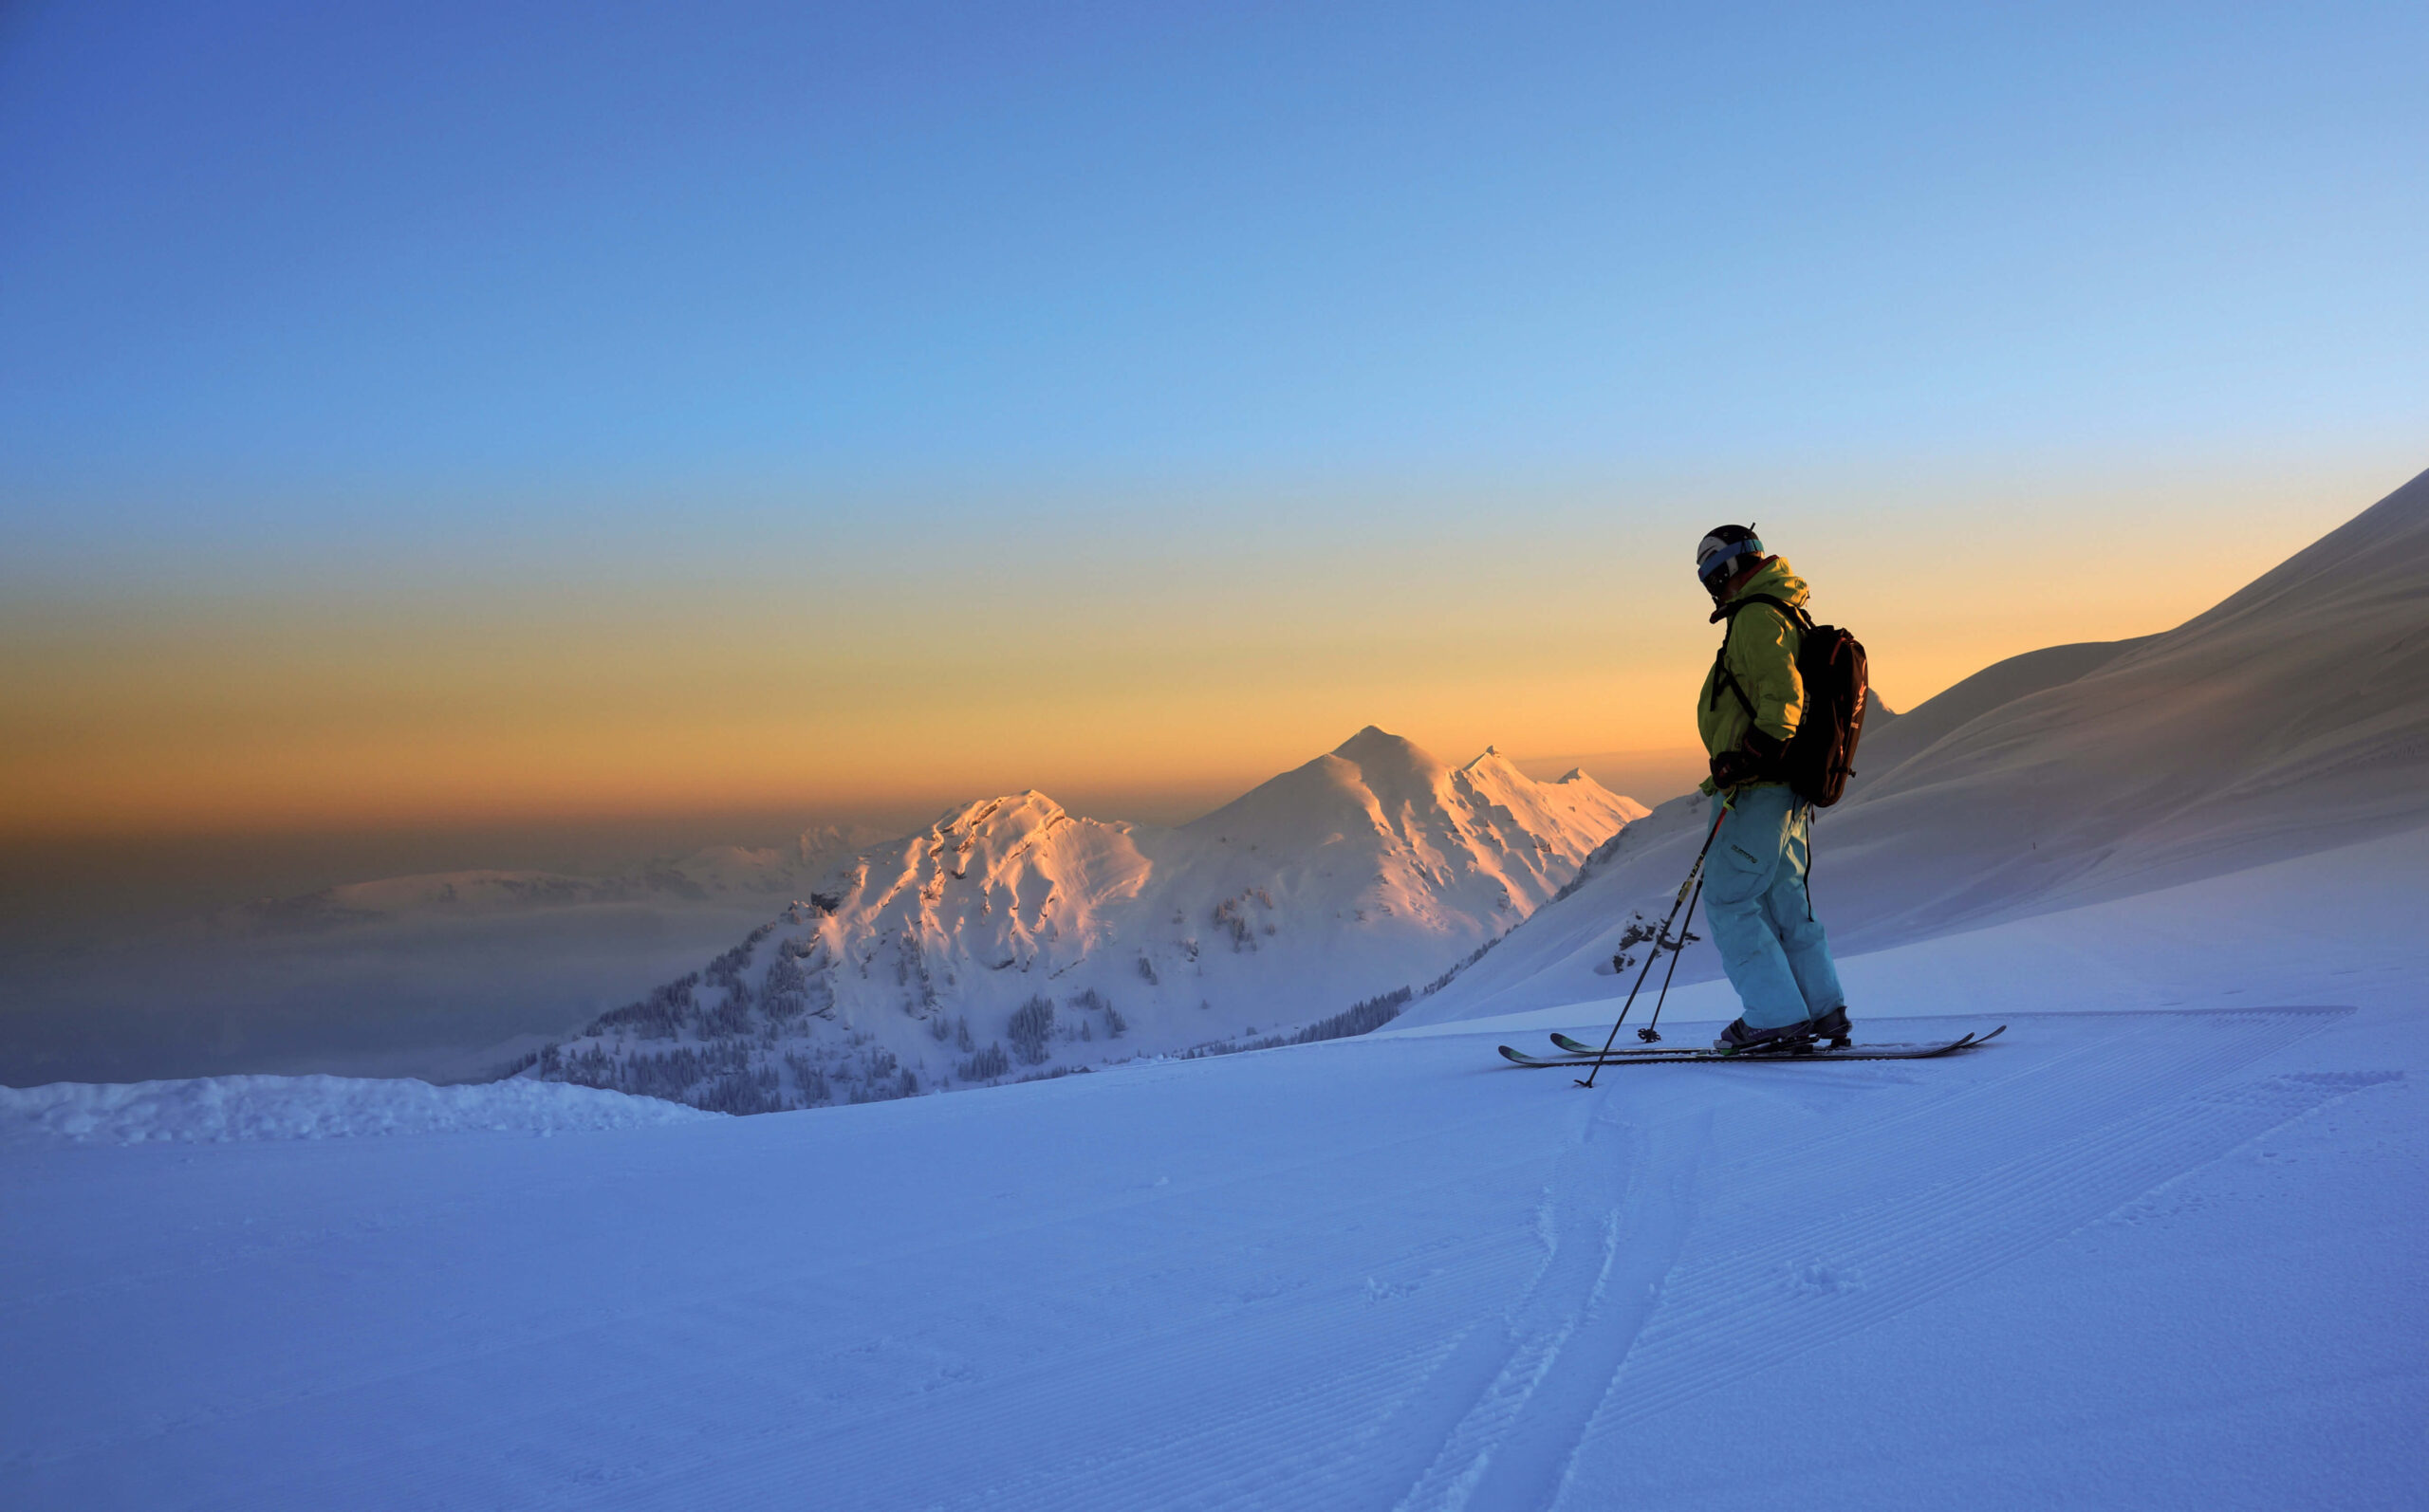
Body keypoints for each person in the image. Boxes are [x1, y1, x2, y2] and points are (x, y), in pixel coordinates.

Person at [1692, 525, 1852, 1052]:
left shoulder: (1758, 616)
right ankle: (1821, 1009)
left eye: (1713, 578)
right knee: (1784, 901)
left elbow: (1783, 700)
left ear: (1729, 569)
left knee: (1729, 899)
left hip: (1760, 787)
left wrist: (1747, 759)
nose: (1715, 591)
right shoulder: (1786, 610)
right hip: (1787, 791)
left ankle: (1774, 1015)